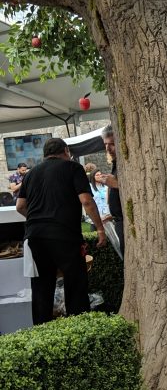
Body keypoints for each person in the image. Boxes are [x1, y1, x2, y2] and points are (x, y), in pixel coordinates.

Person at [15, 137, 106, 324]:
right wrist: (99, 229)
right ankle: (78, 326)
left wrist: (37, 220)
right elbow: (86, 201)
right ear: (66, 151)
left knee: (41, 287)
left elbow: (20, 206)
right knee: (75, 283)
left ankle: (42, 330)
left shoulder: (31, 174)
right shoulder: (73, 168)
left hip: (35, 237)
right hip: (65, 235)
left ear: (45, 154)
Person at [94, 125, 123, 254]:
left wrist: (116, 184)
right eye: (105, 144)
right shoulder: (116, 163)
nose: (107, 148)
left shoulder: (125, 163)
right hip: (118, 220)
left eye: (112, 144)